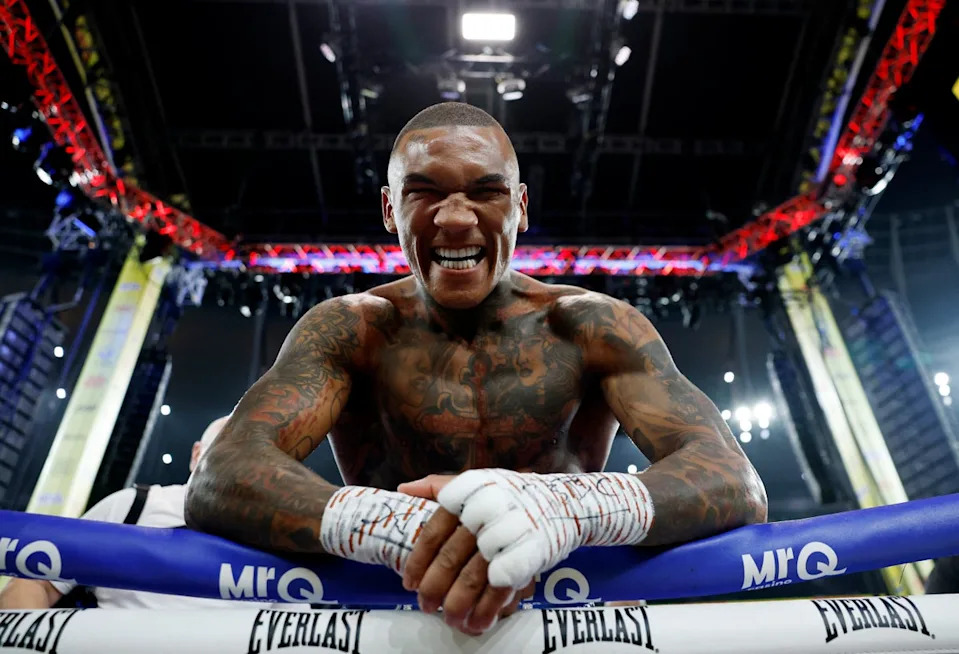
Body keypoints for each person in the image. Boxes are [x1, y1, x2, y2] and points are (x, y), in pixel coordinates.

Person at [186, 102, 768, 635]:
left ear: (520, 206)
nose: (457, 219)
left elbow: (733, 481)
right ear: (390, 210)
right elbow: (221, 473)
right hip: (396, 620)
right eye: (424, 193)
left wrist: (570, 509)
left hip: (563, 620)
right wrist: (388, 525)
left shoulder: (591, 326)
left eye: (486, 192)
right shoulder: (354, 331)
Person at [0, 416, 239, 609]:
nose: (237, 462)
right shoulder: (134, 506)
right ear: (197, 454)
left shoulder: (271, 539)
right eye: (224, 447)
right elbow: (37, 582)